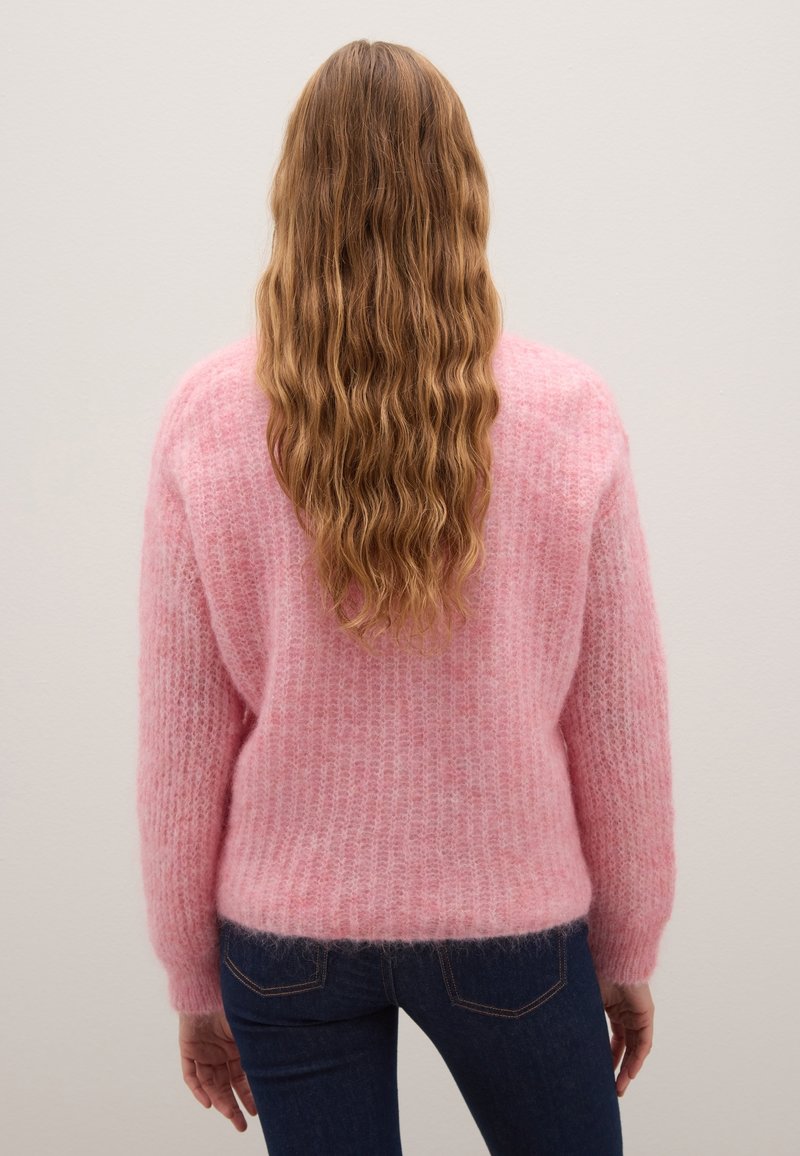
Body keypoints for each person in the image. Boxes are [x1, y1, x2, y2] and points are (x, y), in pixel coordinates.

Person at [137, 38, 676, 1155]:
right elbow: (618, 723)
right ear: (461, 192)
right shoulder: (567, 412)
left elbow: (183, 739)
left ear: (296, 196)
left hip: (284, 937)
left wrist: (192, 977)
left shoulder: (207, 416)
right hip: (512, 921)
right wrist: (626, 950)